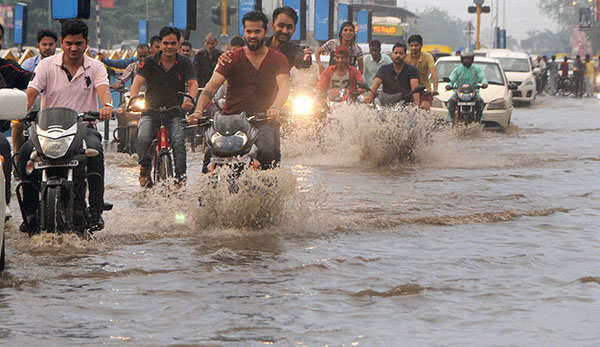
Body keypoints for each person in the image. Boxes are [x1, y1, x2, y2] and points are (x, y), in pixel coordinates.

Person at [20, 19, 113, 233]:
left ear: (86, 43)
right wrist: (20, 108)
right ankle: (30, 212)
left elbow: (103, 89)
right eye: (69, 43)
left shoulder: (96, 67)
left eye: (78, 43)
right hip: (47, 129)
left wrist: (107, 106)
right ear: (62, 42)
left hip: (84, 127)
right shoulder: (46, 65)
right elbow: (32, 91)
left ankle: (95, 208)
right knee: (25, 153)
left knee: (95, 152)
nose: (74, 48)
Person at [189, 11, 290, 171]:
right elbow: (211, 87)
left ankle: (268, 193)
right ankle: (206, 193)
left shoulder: (278, 59)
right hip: (230, 120)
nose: (252, 35)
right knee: (210, 155)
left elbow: (284, 88)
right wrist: (198, 111)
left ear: (265, 32)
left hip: (263, 120)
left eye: (257, 31)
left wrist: (275, 107)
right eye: (249, 31)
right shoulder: (231, 58)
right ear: (243, 32)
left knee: (266, 151)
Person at [129, 26, 198, 187]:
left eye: (173, 43)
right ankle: (145, 167)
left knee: (179, 142)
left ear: (178, 44)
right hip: (150, 111)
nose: (169, 47)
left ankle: (180, 178)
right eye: (166, 43)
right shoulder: (149, 62)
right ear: (160, 44)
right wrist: (133, 99)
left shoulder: (185, 63)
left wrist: (190, 100)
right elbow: (137, 83)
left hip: (174, 111)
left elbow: (193, 84)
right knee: (143, 138)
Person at [0, 23, 34, 213]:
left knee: (3, 145)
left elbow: (36, 82)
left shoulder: (8, 67)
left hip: (3, 129)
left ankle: (4, 205)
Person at [218, 6, 312, 73]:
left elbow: (302, 60)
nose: (284, 31)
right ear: (272, 25)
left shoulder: (294, 49)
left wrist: (306, 59)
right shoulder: (259, 43)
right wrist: (226, 58)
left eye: (289, 27)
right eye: (281, 25)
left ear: (294, 29)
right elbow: (240, 56)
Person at [363, 42, 420, 107]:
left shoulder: (412, 70)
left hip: (404, 102)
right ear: (392, 54)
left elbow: (415, 87)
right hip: (385, 101)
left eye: (401, 53)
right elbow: (376, 84)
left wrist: (416, 103)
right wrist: (369, 97)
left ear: (405, 55)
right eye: (396, 53)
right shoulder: (384, 69)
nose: (398, 55)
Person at [444, 50, 488, 122]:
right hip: (459, 93)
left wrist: (484, 83)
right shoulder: (457, 69)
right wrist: (449, 85)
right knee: (450, 102)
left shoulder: (477, 69)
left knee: (480, 102)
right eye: (465, 58)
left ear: (472, 59)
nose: (466, 60)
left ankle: (478, 120)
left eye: (468, 58)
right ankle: (452, 121)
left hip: (473, 92)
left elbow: (483, 77)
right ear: (461, 59)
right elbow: (451, 79)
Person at [405, 34, 438, 109]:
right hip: (409, 89)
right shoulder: (405, 57)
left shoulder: (428, 57)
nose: (414, 48)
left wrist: (435, 89)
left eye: (416, 45)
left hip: (424, 89)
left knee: (425, 107)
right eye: (411, 45)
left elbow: (434, 74)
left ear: (421, 46)